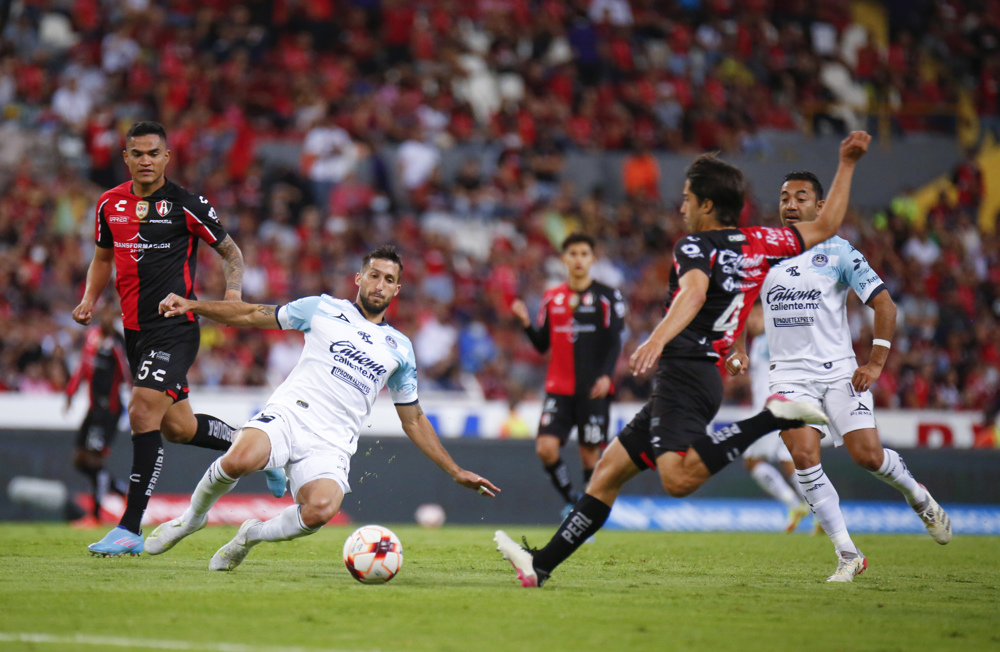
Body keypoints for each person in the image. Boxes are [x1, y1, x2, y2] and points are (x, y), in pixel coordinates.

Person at [494, 131, 871, 589]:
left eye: (688, 198)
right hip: (699, 374)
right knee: (609, 471)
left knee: (676, 478)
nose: (681, 207)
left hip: (685, 372)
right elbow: (827, 223)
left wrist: (656, 338)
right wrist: (846, 162)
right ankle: (542, 564)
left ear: (707, 205)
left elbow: (693, 292)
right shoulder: (761, 241)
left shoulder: (695, 246)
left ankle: (770, 419)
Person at [145, 246, 500, 570]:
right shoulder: (323, 308)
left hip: (333, 442)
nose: (380, 285)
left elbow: (414, 418)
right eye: (374, 275)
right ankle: (192, 518)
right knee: (238, 459)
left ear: (397, 290)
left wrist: (455, 470)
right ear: (359, 278)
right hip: (290, 413)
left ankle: (249, 536)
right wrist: (195, 305)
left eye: (389, 280)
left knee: (320, 511)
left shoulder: (400, 349)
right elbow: (253, 313)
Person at [725, 170, 952, 582]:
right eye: (784, 197)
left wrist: (875, 364)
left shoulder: (840, 252)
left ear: (820, 206)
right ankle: (847, 552)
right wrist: (738, 349)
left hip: (840, 374)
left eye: (801, 197)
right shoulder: (762, 255)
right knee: (804, 458)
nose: (791, 204)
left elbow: (885, 307)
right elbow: (742, 305)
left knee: (868, 456)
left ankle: (919, 498)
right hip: (788, 378)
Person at [72, 121, 286, 557]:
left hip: (175, 327)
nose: (146, 160)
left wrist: (232, 295)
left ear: (167, 157)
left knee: (141, 408)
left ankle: (130, 528)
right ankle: (262, 450)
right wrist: (88, 299)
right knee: (179, 428)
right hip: (135, 332)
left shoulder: (186, 204)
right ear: (126, 157)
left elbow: (230, 251)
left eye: (154, 153)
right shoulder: (108, 204)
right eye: (138, 153)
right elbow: (101, 257)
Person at [511, 233, 626, 516]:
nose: (578, 259)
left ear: (592, 259)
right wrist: (526, 323)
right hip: (558, 388)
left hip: (593, 389)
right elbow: (541, 345)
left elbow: (615, 340)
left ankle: (587, 515)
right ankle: (572, 501)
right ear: (564, 259)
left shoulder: (608, 297)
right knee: (545, 448)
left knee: (590, 455)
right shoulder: (552, 298)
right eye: (572, 253)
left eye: (584, 254)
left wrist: (607, 376)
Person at [735, 302, 811, 533]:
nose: (753, 320)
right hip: (782, 411)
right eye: (752, 316)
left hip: (770, 413)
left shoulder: (773, 337)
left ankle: (793, 504)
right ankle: (818, 510)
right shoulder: (758, 343)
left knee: (752, 461)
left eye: (758, 314)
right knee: (791, 464)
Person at [64, 301, 131, 528]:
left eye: (111, 316)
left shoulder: (117, 343)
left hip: (108, 410)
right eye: (104, 315)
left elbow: (127, 373)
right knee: (80, 460)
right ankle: (121, 490)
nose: (107, 320)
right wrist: (71, 393)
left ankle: (95, 515)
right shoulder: (91, 336)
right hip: (92, 409)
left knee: (95, 459)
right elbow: (83, 367)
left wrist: (137, 398)